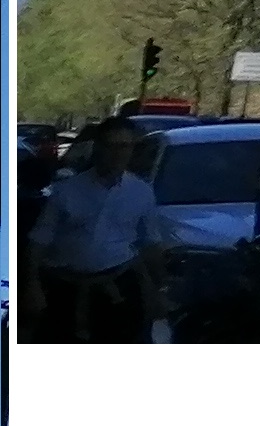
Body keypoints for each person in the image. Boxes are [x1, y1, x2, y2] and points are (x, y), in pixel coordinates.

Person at [28, 118, 172, 343]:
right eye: (110, 145)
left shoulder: (141, 192)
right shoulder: (66, 191)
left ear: (132, 149)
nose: (117, 153)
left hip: (118, 288)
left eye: (124, 146)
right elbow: (39, 240)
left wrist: (160, 289)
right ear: (98, 147)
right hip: (64, 291)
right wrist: (32, 285)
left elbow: (151, 244)